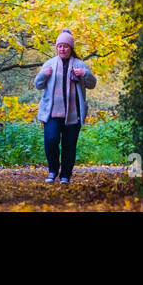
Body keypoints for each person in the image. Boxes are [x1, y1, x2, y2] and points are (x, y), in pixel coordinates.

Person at [34, 29, 96, 183]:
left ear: (71, 48)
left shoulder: (80, 64)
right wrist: (44, 74)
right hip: (52, 113)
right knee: (51, 139)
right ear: (56, 48)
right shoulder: (49, 64)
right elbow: (38, 85)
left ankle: (65, 175)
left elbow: (92, 84)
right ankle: (52, 170)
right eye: (60, 46)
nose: (62, 49)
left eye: (65, 46)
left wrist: (84, 74)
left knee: (69, 146)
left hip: (73, 115)